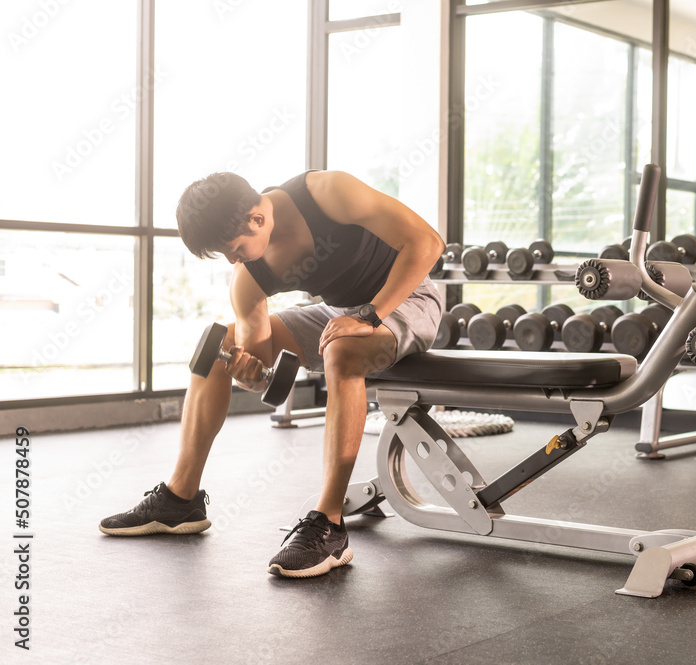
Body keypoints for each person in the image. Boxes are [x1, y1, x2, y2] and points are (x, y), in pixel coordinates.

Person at [98, 170, 445, 578]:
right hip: (341, 314)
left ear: (257, 219)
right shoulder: (249, 276)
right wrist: (248, 368)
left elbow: (427, 242)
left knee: (341, 350)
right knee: (221, 344)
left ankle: (329, 525)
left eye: (233, 248)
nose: (232, 260)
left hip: (408, 298)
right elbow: (263, 376)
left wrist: (370, 315)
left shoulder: (328, 193)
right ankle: (180, 498)